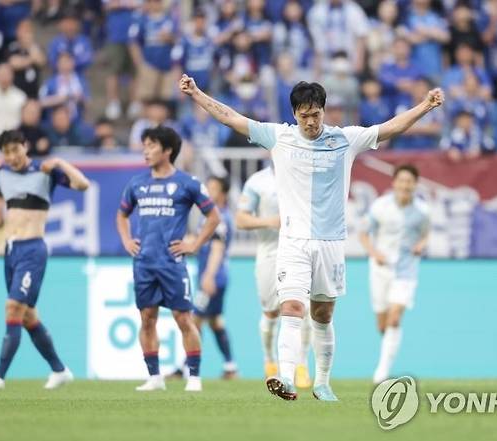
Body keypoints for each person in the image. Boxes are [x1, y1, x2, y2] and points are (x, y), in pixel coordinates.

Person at [179, 71, 444, 401]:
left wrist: (424, 106)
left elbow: (391, 127)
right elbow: (232, 117)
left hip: (331, 243)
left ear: (324, 110)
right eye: (304, 116)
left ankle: (322, 382)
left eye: (315, 114)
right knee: (291, 306)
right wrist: (197, 94)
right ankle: (286, 377)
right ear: (294, 114)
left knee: (322, 315)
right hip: (293, 241)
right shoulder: (280, 137)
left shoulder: (345, 139)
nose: (310, 122)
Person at [116, 126, 220, 392]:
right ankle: (155, 378)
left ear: (168, 150)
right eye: (145, 145)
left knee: (184, 319)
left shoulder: (188, 183)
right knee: (147, 318)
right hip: (144, 263)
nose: (145, 151)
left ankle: (194, 377)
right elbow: (122, 215)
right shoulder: (137, 183)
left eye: (151, 145)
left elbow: (213, 217)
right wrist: (127, 240)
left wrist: (195, 243)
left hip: (172, 264)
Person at [0, 130, 90, 389]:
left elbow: (83, 185)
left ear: (25, 147)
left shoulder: (45, 172)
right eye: (6, 152)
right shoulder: (1, 173)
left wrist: (60, 163)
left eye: (15, 150)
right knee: (27, 317)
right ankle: (59, 370)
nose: (11, 156)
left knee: (12, 308)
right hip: (10, 251)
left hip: (33, 250)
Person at [236, 165, 312, 388]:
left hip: (299, 251)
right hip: (269, 252)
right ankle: (269, 360)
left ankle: (301, 364)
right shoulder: (257, 182)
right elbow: (241, 219)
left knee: (302, 310)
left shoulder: (303, 175)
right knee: (270, 312)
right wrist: (269, 221)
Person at [360, 164, 429, 383]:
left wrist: (421, 245)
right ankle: (386, 356)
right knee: (382, 323)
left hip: (406, 270)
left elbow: (425, 234)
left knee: (395, 317)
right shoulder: (380, 206)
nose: (405, 185)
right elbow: (363, 234)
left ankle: (381, 373)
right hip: (380, 270)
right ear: (394, 183)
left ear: (415, 185)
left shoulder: (422, 211)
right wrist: (374, 253)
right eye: (402, 180)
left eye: (409, 181)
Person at [191, 176, 238, 379]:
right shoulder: (209, 216)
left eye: (214, 188)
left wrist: (209, 276)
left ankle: (186, 366)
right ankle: (230, 366)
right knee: (215, 321)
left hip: (213, 277)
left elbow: (217, 248)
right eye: (207, 187)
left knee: (193, 321)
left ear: (223, 193)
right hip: (213, 276)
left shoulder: (219, 217)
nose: (209, 192)